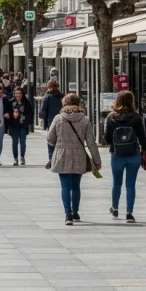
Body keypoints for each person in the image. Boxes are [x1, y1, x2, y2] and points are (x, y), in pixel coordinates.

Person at [46, 93, 101, 225]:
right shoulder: (85, 119)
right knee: (76, 186)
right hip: (79, 155)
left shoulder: (58, 119)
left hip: (61, 154)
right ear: (78, 104)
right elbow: (91, 142)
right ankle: (75, 212)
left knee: (65, 185)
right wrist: (97, 160)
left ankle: (68, 214)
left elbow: (50, 138)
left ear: (64, 104)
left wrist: (58, 144)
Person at [104, 90, 146, 223]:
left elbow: (106, 138)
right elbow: (142, 136)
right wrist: (144, 151)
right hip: (133, 153)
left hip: (117, 154)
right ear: (131, 102)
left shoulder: (111, 117)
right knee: (131, 184)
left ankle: (115, 208)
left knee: (116, 183)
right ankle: (129, 213)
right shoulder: (136, 117)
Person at [39, 80, 64, 169]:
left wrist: (43, 118)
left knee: (51, 141)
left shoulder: (47, 96)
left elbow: (42, 111)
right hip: (62, 122)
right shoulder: (62, 96)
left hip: (51, 122)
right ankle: (58, 159)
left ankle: (51, 159)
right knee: (59, 141)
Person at [6, 86, 33, 166]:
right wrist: (11, 115)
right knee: (15, 142)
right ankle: (15, 158)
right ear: (14, 94)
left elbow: (30, 113)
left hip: (22, 125)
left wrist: (24, 117)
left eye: (20, 93)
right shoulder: (10, 102)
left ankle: (22, 157)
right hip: (13, 125)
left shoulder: (26, 102)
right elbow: (7, 112)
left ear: (22, 94)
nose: (18, 95)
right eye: (16, 93)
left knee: (22, 142)